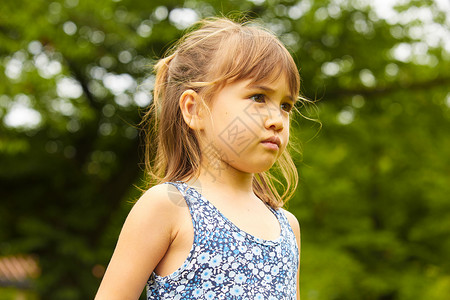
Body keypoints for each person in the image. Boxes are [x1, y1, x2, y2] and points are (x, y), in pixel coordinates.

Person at [95, 17, 302, 300]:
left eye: (286, 105)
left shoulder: (287, 227)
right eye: (257, 97)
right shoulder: (168, 207)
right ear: (194, 110)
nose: (277, 119)